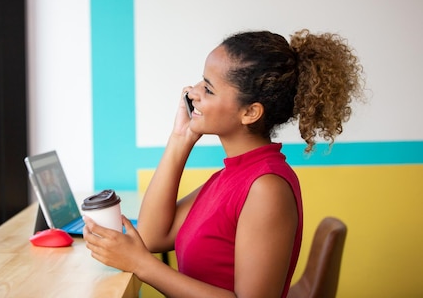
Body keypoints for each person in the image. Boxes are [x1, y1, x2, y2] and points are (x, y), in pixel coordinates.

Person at [82, 29, 365, 297]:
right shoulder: (231, 175)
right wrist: (181, 138)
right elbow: (152, 236)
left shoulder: (266, 188)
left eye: (209, 88)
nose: (193, 92)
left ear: (250, 112)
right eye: (200, 81)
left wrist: (142, 265)